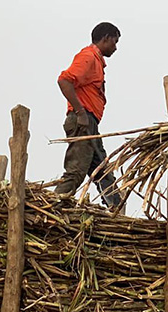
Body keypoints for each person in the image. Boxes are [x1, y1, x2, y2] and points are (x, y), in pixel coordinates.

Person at [55, 22, 123, 210]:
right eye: (115, 42)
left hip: (90, 123)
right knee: (76, 171)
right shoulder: (88, 56)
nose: (115, 47)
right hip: (82, 121)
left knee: (103, 171)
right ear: (106, 38)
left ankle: (116, 210)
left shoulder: (97, 61)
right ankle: (53, 205)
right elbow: (64, 81)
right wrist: (80, 112)